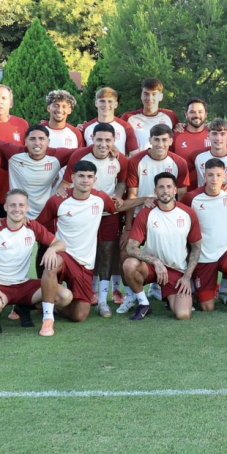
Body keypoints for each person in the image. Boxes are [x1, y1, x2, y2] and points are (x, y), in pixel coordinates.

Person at [0, 190, 71, 335]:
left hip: (24, 285)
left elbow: (60, 244)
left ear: (27, 208)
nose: (17, 209)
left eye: (21, 205)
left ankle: (22, 306)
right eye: (12, 205)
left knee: (65, 297)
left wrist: (52, 250)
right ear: (6, 207)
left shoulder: (32, 226)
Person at [34, 159, 117, 323]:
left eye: (89, 176)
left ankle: (51, 300)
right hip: (63, 255)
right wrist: (52, 245)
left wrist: (144, 200)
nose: (85, 180)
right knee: (52, 264)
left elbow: (115, 208)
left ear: (95, 180)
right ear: (73, 178)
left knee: (79, 316)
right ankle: (48, 317)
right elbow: (38, 226)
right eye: (81, 176)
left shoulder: (101, 199)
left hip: (85, 263)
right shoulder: (57, 200)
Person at [64, 124, 127, 313]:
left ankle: (102, 301)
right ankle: (83, 292)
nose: (103, 144)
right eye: (99, 139)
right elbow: (68, 181)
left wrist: (117, 194)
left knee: (107, 252)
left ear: (114, 140)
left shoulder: (120, 159)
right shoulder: (79, 156)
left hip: (108, 214)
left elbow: (122, 181)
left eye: (108, 140)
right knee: (82, 252)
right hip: (83, 212)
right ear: (92, 138)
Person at [122, 172, 201, 321]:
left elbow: (196, 248)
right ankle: (144, 303)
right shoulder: (146, 213)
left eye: (169, 187)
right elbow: (131, 248)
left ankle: (168, 296)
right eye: (161, 187)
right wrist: (156, 262)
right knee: (129, 264)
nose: (165, 191)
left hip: (176, 270)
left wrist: (187, 277)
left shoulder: (188, 213)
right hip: (151, 267)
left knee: (183, 315)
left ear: (175, 190)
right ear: (156, 190)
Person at [186, 158, 227, 313]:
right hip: (203, 257)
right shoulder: (192, 198)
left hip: (224, 252)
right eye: (210, 175)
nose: (214, 179)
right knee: (207, 308)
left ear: (225, 176)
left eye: (218, 175)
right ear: (204, 175)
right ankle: (199, 287)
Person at [125, 124, 192, 198]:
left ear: (171, 141)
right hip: (142, 208)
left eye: (164, 140)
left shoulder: (180, 163)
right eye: (156, 139)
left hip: (169, 209)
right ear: (150, 140)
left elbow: (181, 194)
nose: (160, 144)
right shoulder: (135, 161)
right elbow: (132, 194)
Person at [187, 118, 227, 189]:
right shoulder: (196, 156)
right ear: (208, 136)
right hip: (203, 199)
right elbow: (181, 174)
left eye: (222, 134)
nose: (218, 138)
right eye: (214, 134)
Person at [122, 78, 177, 150]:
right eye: (146, 94)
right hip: (137, 160)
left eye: (154, 94)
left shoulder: (170, 116)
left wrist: (182, 126)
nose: (149, 98)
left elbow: (179, 136)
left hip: (162, 160)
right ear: (141, 95)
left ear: (160, 97)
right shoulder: (128, 118)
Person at [80, 85, 131, 153]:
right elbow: (80, 154)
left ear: (116, 104)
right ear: (96, 103)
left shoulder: (126, 127)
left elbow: (134, 155)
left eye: (110, 101)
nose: (106, 105)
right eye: (102, 101)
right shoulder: (85, 128)